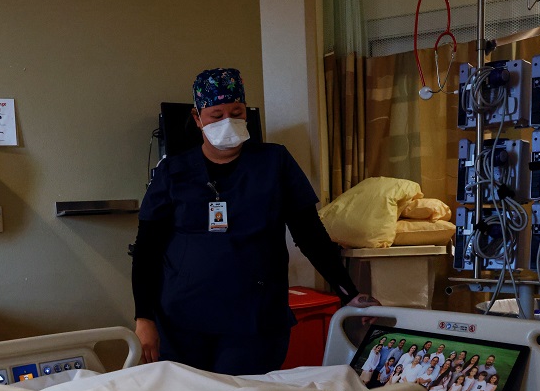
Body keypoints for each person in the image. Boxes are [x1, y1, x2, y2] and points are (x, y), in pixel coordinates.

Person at [131, 68, 377, 374]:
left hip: (254, 320)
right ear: (197, 119)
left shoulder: (274, 163)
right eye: (216, 115)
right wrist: (144, 317)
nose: (228, 123)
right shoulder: (173, 172)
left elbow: (310, 235)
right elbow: (147, 250)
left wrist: (349, 292)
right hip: (182, 321)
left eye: (236, 112)